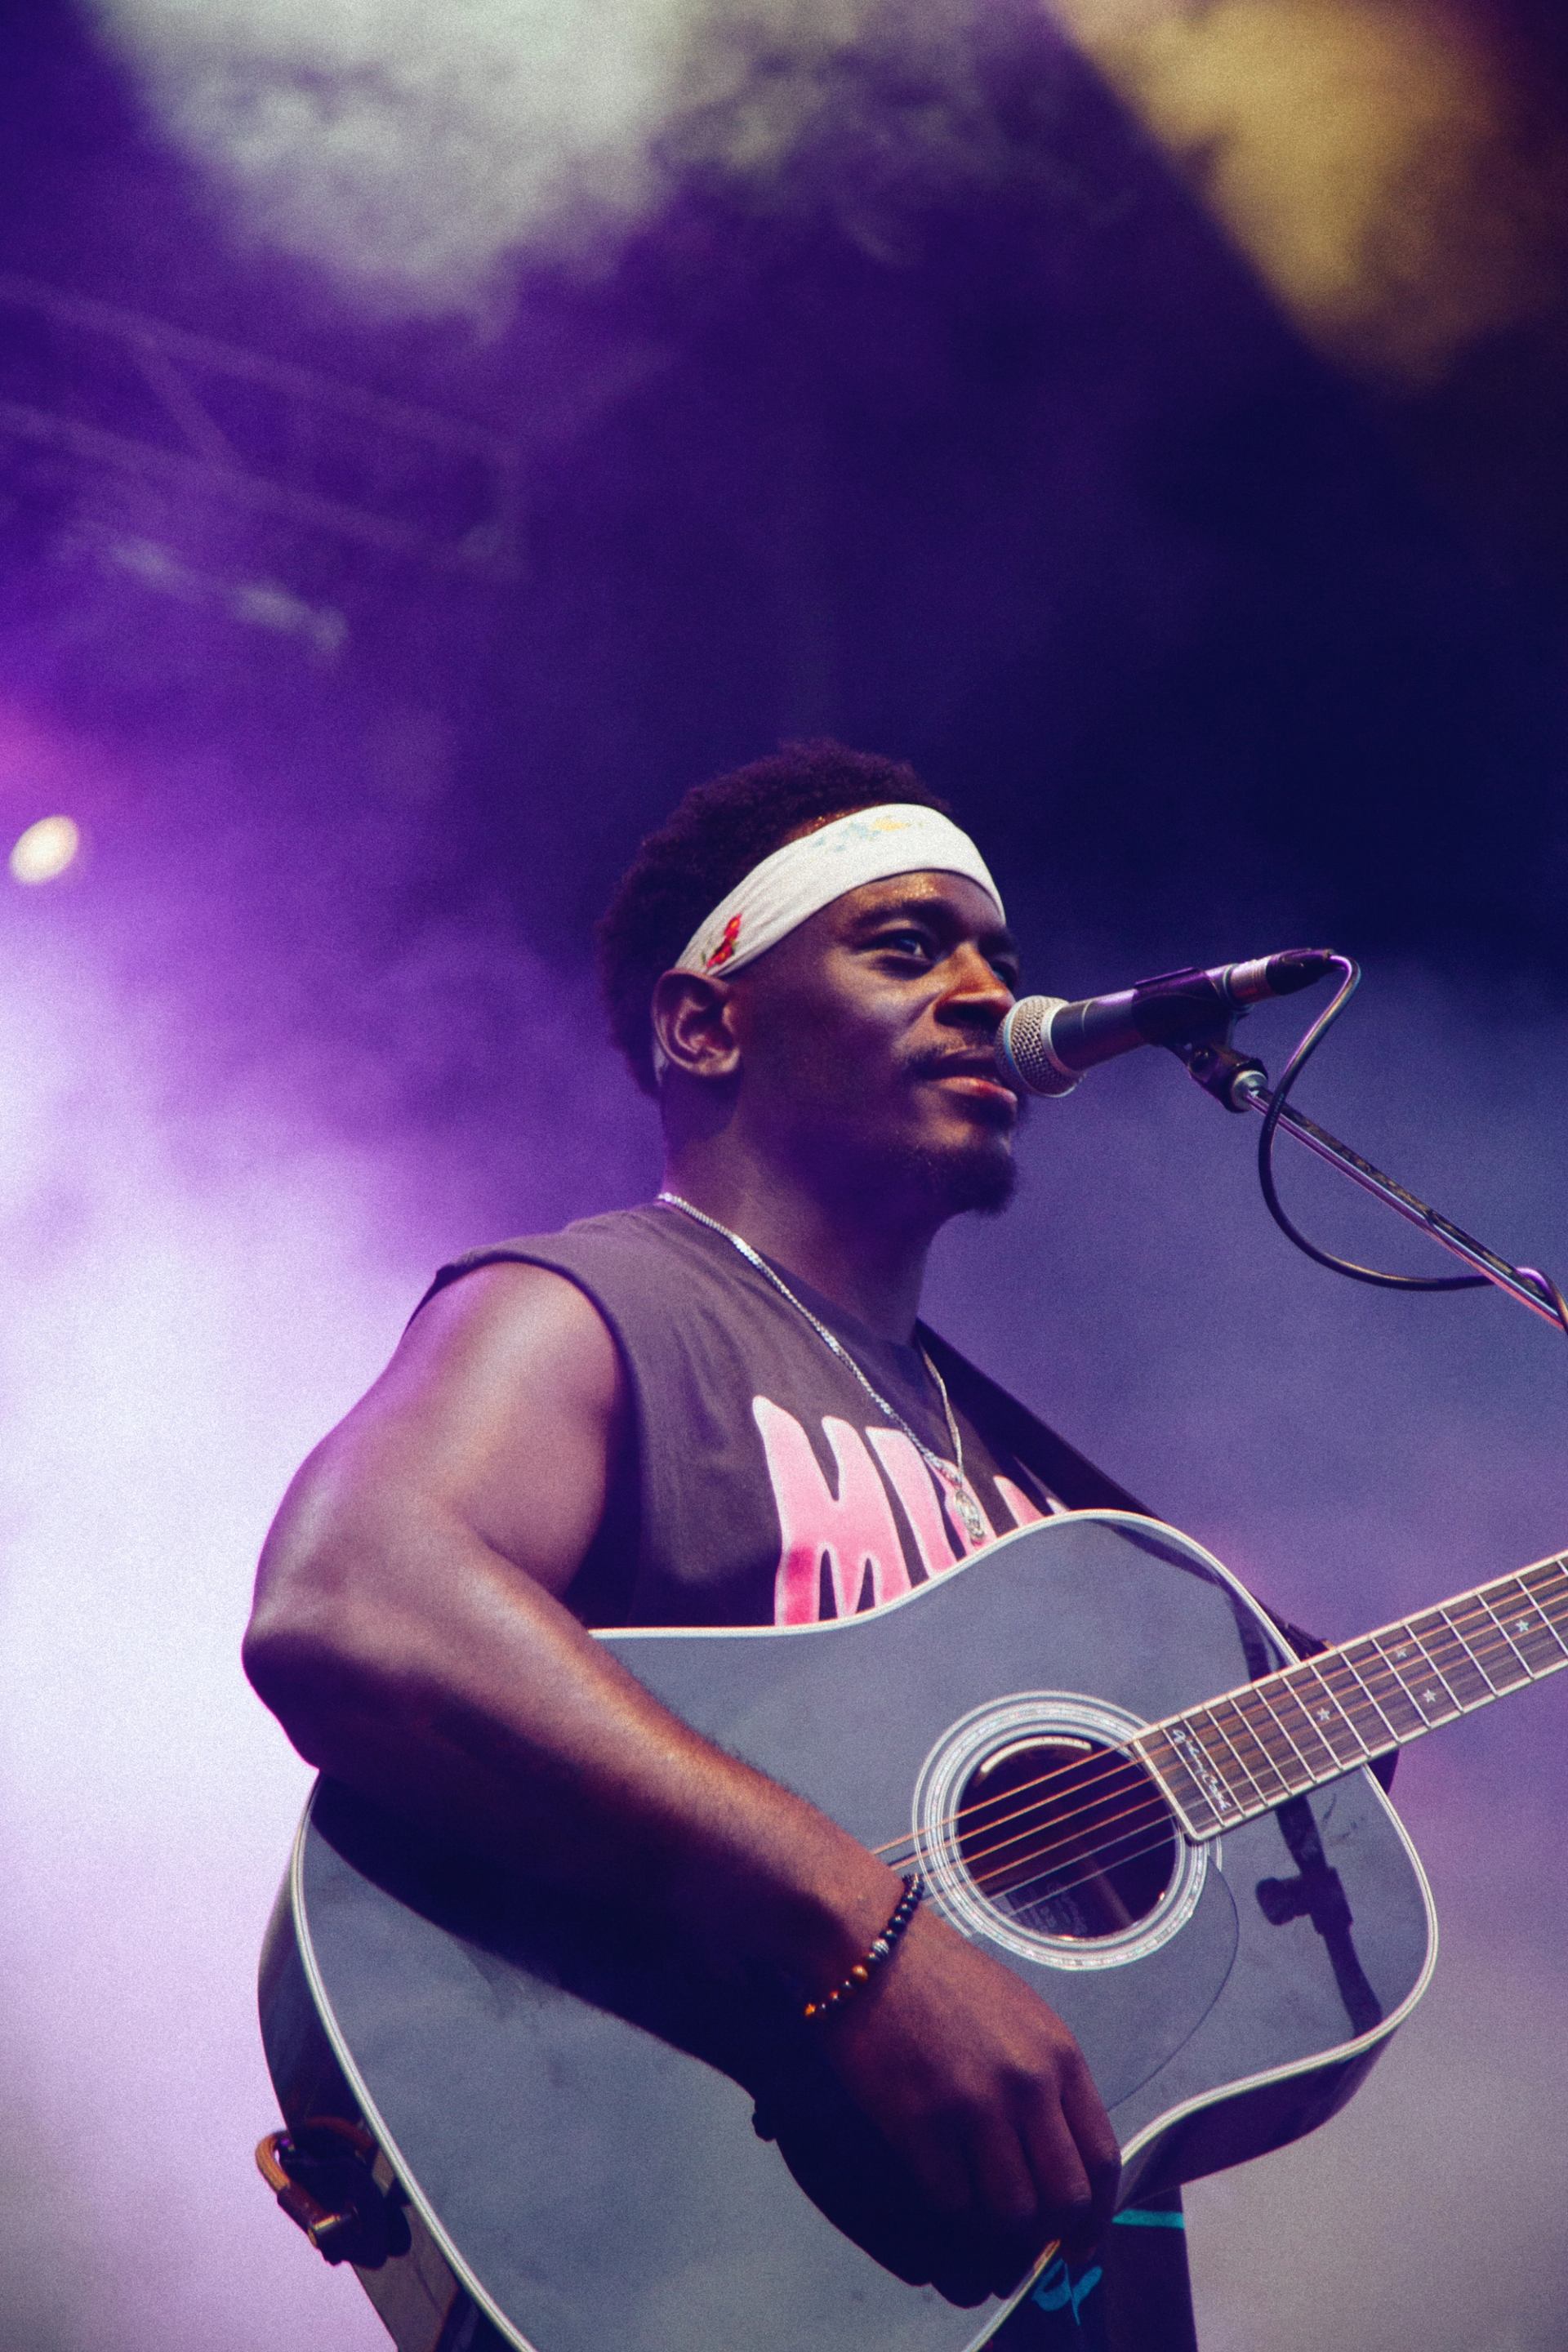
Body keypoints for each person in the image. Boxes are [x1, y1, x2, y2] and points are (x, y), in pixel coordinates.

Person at [245, 740, 1200, 2350]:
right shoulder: (593, 1306)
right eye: (906, 947)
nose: (983, 990)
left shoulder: (1032, 1468)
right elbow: (351, 1599)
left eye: (1001, 961)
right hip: (689, 2255)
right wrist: (865, 1936)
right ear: (707, 1021)